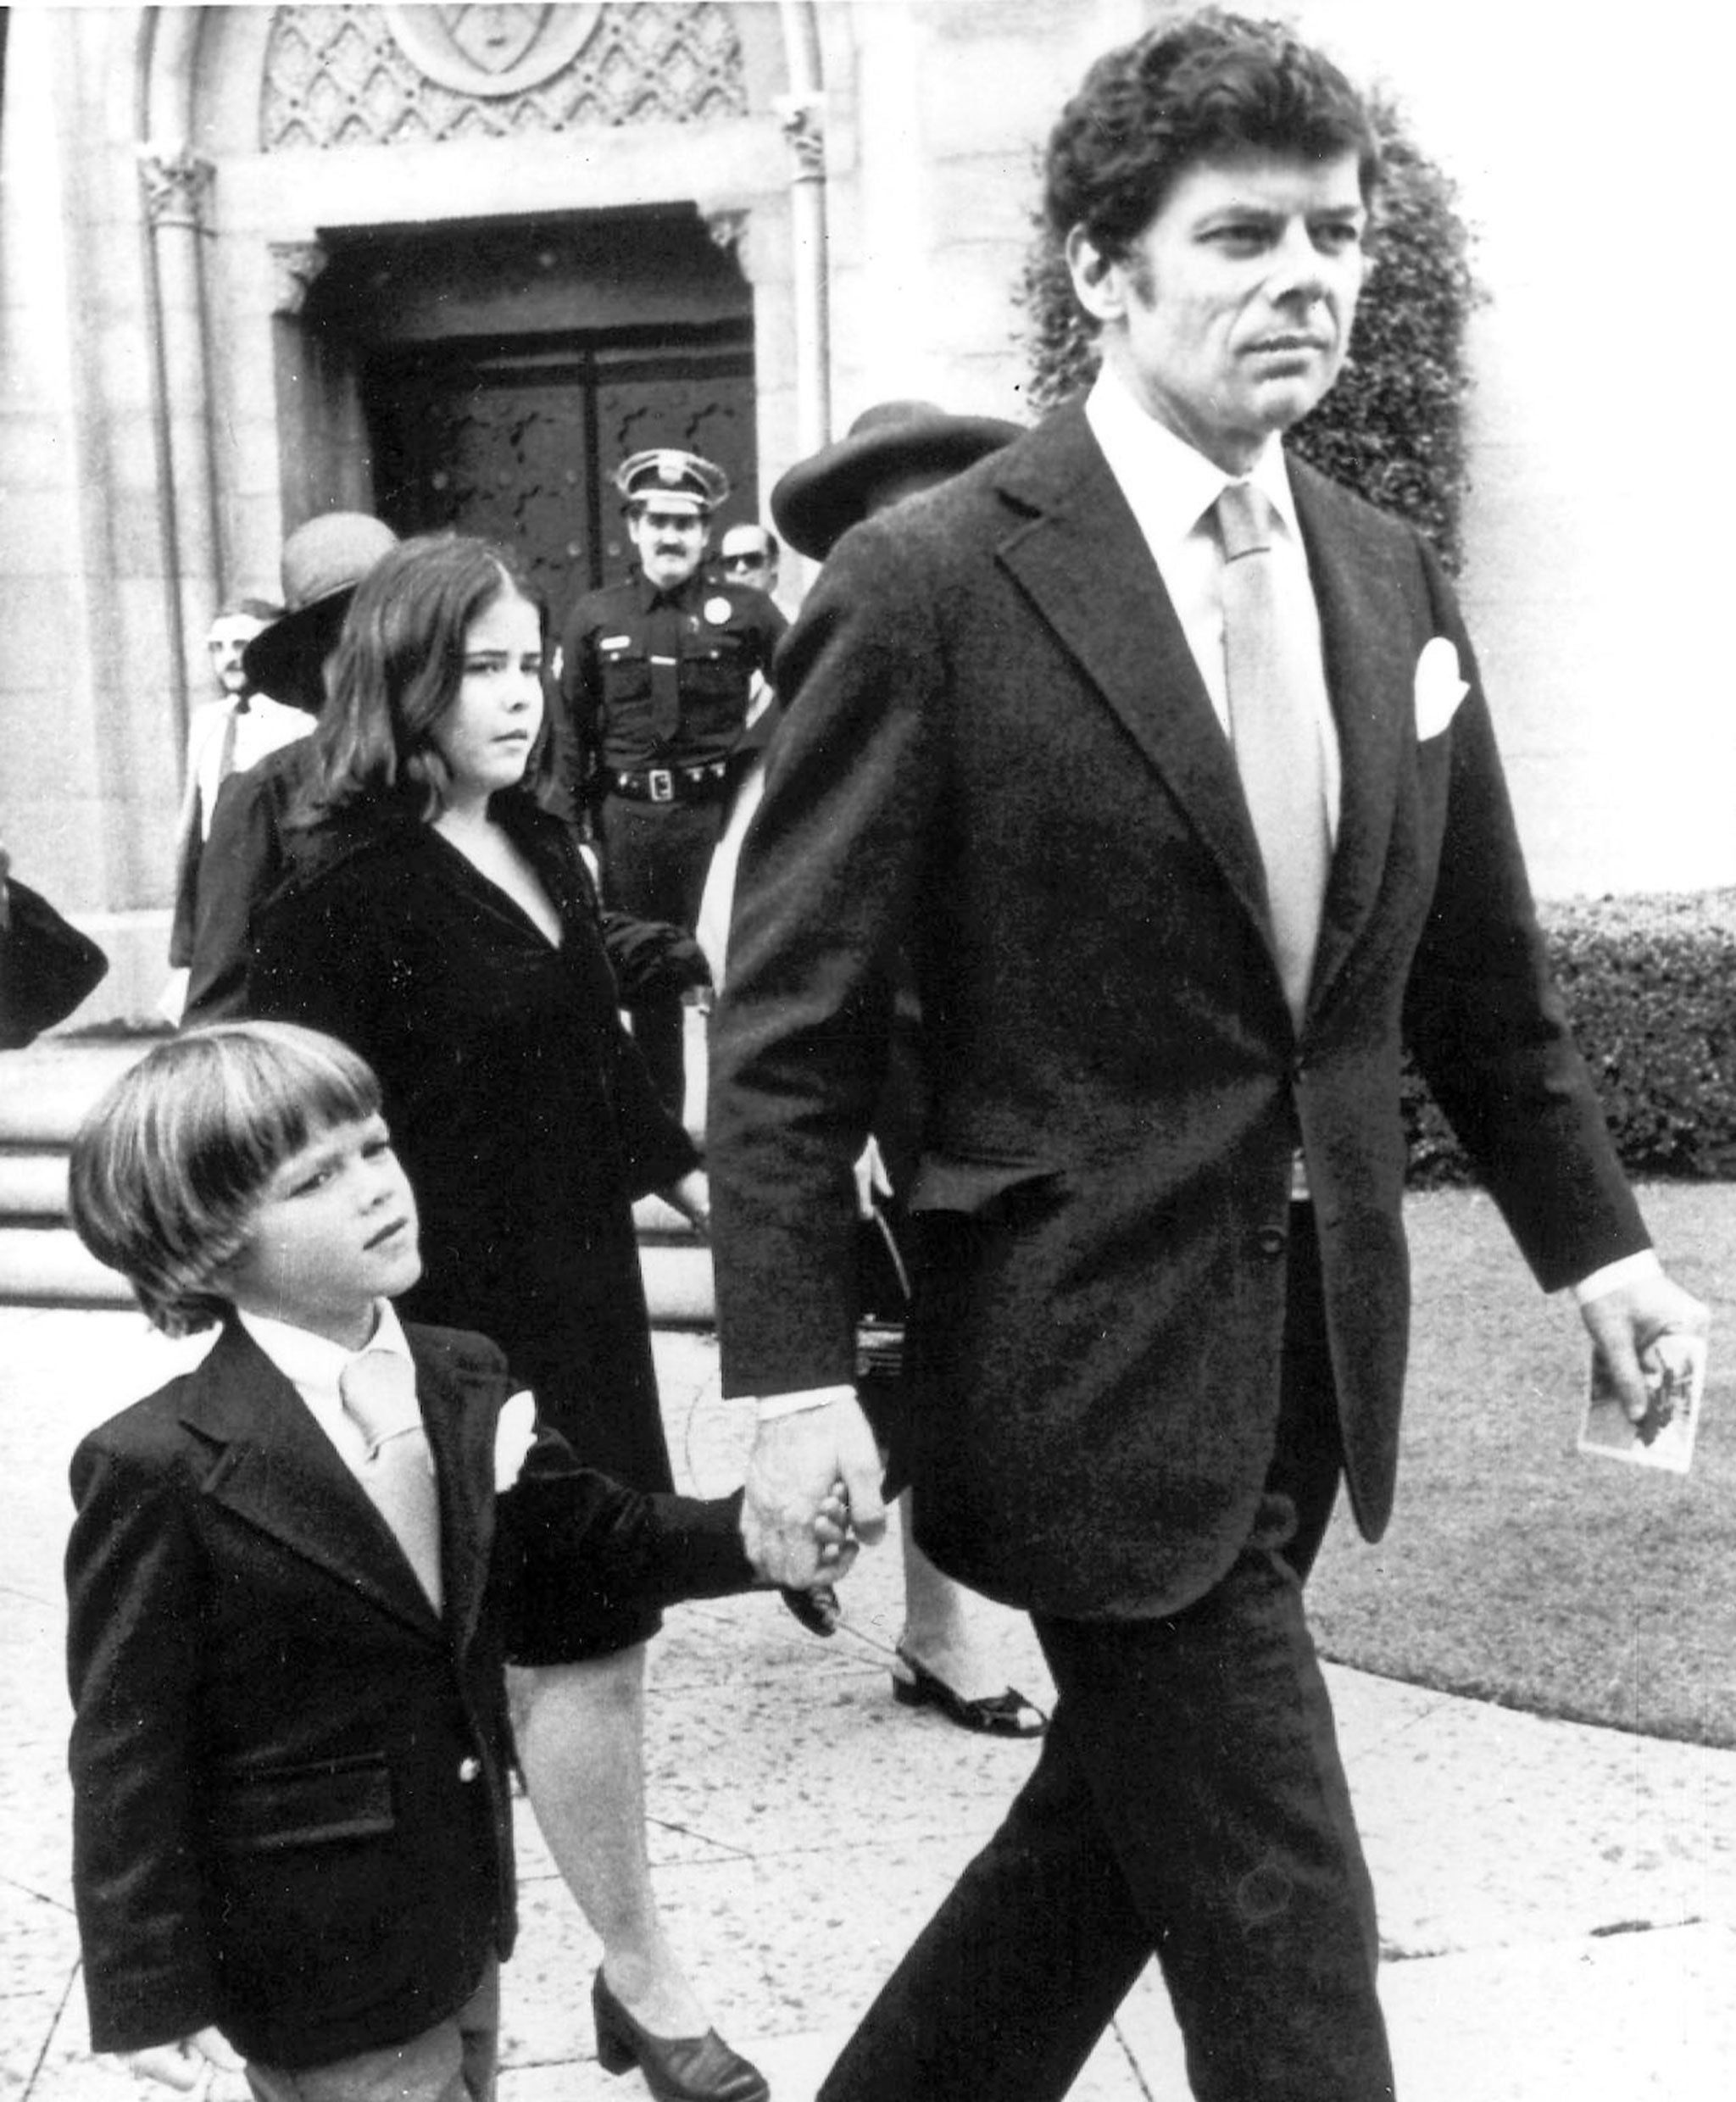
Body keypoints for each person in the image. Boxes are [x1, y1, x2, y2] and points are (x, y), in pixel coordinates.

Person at [706, 14, 1710, 2101]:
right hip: (1066, 1354)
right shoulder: (928, 583)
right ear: (1100, 268)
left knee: (1105, 1851)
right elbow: (787, 1034)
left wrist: (1600, 1260)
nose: (1305, 277)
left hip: (1306, 1348)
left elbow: (1475, 979)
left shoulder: (1377, 568)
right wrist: (791, 1384)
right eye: (1238, 234)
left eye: (1332, 233)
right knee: (1285, 1913)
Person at [63, 1020, 849, 2100]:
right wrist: (147, 1987)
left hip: (460, 1904)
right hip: (310, 1953)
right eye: (314, 1180)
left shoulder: (460, 1373)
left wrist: (756, 1531)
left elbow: (594, 1538)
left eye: (375, 1148)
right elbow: (126, 1745)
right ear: (206, 1242)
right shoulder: (157, 1463)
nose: (375, 1187)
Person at [248, 534, 770, 2102]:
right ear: (401, 676)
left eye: (530, 661)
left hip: (581, 1307)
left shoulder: (539, 841)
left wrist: (732, 1217)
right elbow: (281, 1138)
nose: (520, 695)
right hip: (447, 1336)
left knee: (581, 1637)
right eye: (480, 664)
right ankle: (642, 1981)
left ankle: (535, 1986)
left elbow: (607, 1088)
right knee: (572, 1643)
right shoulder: (339, 892)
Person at [737, 401, 1044, 1736]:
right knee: (903, 1363)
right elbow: (746, 937)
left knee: (976, 1365)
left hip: (1011, 1092)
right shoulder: (821, 696)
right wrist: (839, 1121)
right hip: (883, 1095)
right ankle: (897, 1597)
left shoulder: (1044, 682)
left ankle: (926, 1617)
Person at [559, 449, 785, 1116]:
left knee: (733, 970)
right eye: (656, 520)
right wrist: (574, 835)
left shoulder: (746, 611)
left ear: (706, 534)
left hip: (716, 828)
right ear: (633, 527)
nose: (670, 536)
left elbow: (812, 691)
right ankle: (664, 1138)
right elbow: (569, 730)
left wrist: (759, 768)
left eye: (685, 523)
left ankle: (741, 1128)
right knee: (649, 984)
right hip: (630, 825)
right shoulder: (596, 616)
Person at [183, 514, 399, 1025]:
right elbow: (219, 1022)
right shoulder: (265, 798)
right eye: (354, 650)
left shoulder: (453, 785)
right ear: (316, 669)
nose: (384, 668)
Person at [166, 597, 301, 993]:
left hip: (275, 885)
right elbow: (193, 827)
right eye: (217, 648)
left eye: (241, 646)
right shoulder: (209, 721)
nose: (228, 659)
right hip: (218, 886)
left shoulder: (297, 722)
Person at [715, 520, 780, 601]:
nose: (741, 569)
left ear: (774, 563)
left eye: (752, 559)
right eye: (731, 562)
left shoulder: (791, 613)